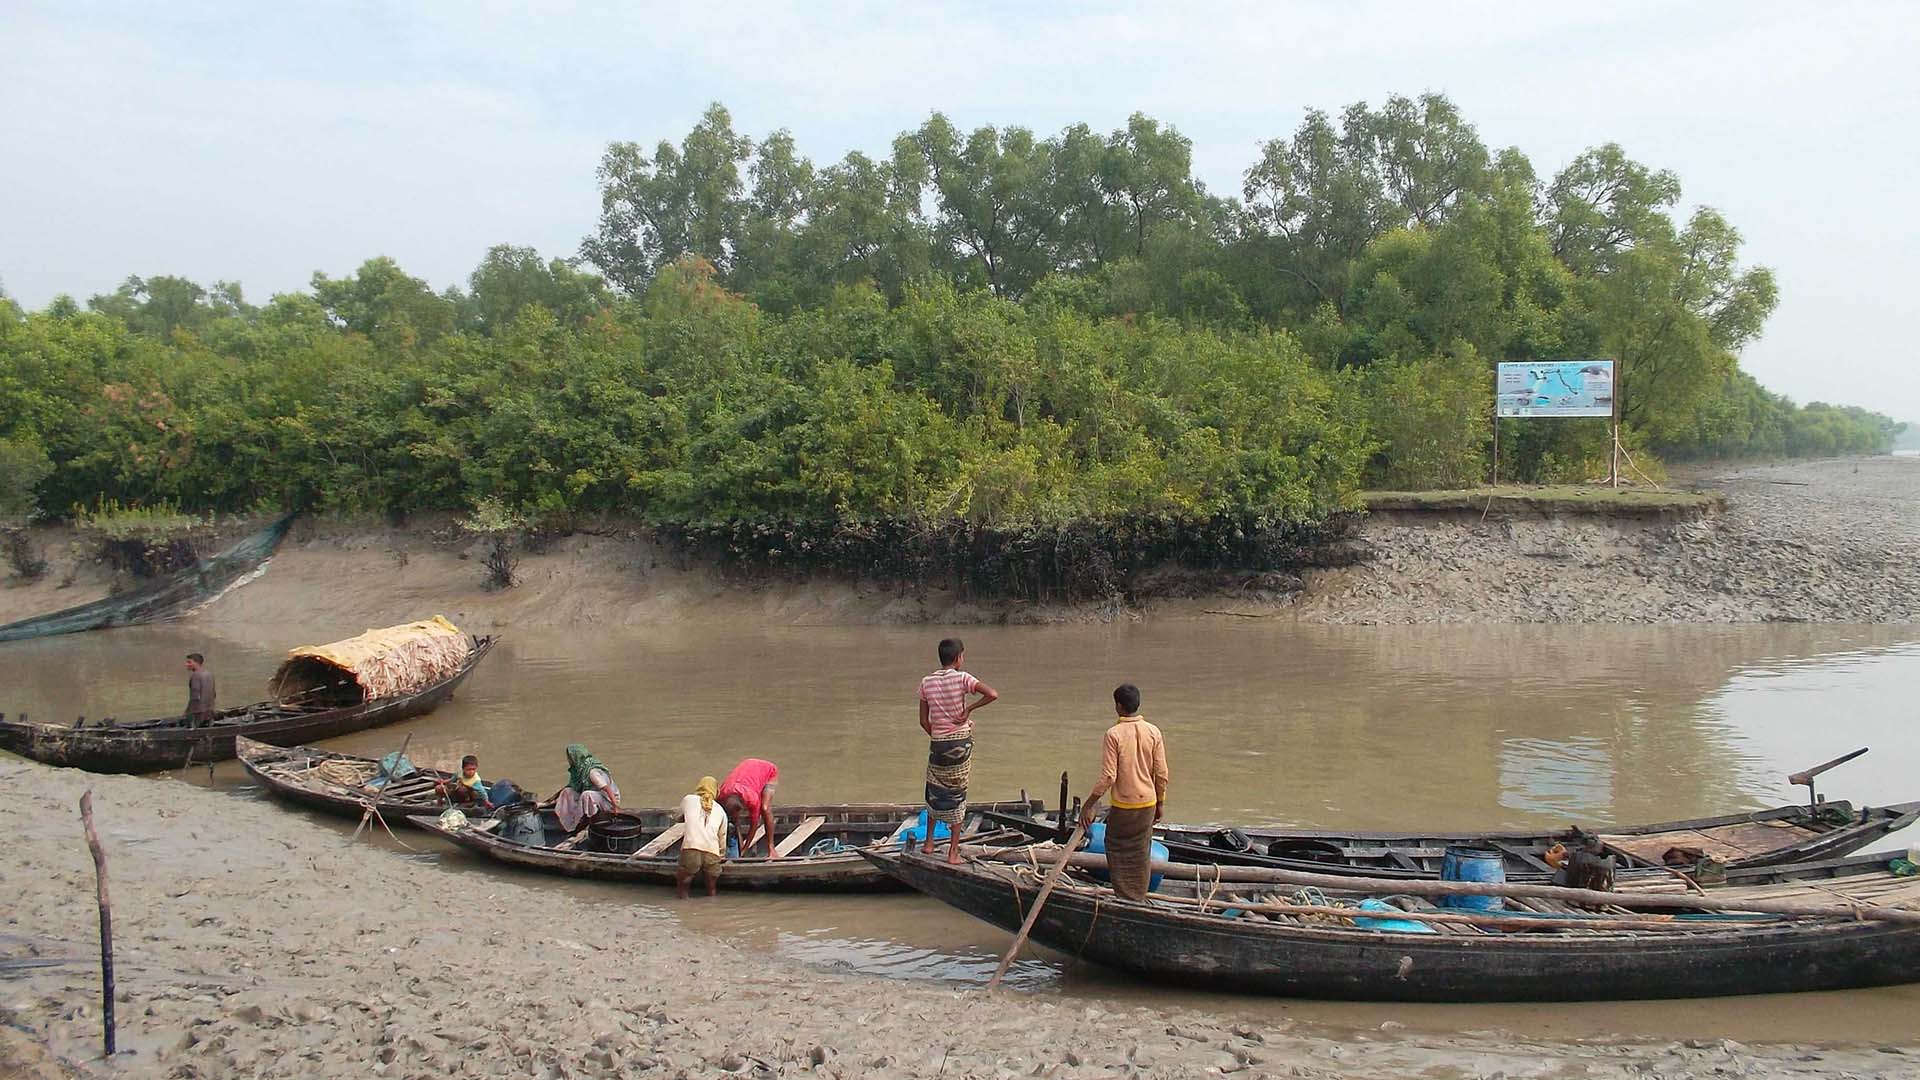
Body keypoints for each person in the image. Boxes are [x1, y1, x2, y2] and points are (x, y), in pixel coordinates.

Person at [1078, 683, 1169, 902]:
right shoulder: (1153, 731)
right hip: (1148, 803)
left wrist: (1089, 805)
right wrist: (1160, 803)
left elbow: (1108, 777)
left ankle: (1126, 896)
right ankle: (1138, 894)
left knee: (1117, 848)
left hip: (1125, 806)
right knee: (1141, 850)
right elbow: (1162, 773)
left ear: (1119, 706)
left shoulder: (1114, 734)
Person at [918, 637, 998, 864]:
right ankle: (953, 853)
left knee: (934, 788)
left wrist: (939, 736)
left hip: (938, 742)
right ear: (959, 657)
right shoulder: (963, 678)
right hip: (960, 744)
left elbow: (923, 721)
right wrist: (969, 710)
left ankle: (929, 843)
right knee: (957, 793)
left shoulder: (926, 682)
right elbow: (992, 694)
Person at [677, 775, 729, 899]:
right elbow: (722, 837)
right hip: (712, 852)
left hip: (691, 847)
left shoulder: (688, 799)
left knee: (684, 880)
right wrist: (721, 855)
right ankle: (711, 904)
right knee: (711, 887)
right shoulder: (721, 810)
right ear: (716, 791)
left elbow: (678, 817)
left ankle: (683, 902)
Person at [717, 758, 780, 858]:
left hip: (768, 770)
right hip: (746, 769)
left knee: (764, 808)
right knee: (733, 820)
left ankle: (771, 847)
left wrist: (745, 849)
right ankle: (740, 845)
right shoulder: (721, 794)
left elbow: (754, 826)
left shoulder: (752, 799)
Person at [552, 744, 621, 832]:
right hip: (595, 797)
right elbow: (569, 786)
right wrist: (547, 802)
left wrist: (615, 807)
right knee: (567, 792)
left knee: (586, 795)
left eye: (570, 758)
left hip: (608, 801)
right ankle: (572, 822)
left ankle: (589, 821)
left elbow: (608, 789)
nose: (569, 760)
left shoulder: (592, 773)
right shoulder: (579, 770)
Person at [184, 653, 216, 727]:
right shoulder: (209, 674)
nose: (186, 664)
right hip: (210, 711)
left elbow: (195, 697)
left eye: (189, 662)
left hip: (199, 713)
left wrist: (187, 713)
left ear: (197, 663)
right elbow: (214, 694)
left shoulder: (196, 676)